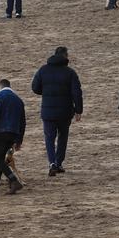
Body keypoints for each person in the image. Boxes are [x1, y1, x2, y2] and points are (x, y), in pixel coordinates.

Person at [30, 46, 83, 176]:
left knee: (49, 137)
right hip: (65, 111)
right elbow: (77, 92)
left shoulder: (43, 70)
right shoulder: (70, 72)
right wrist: (78, 110)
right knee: (63, 137)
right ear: (65, 56)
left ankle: (52, 162)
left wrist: (47, 91)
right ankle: (59, 163)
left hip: (48, 111)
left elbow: (35, 88)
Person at [0, 79, 26, 194]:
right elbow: (23, 121)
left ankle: (14, 181)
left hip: (1, 132)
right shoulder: (19, 100)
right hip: (14, 133)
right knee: (1, 158)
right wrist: (19, 140)